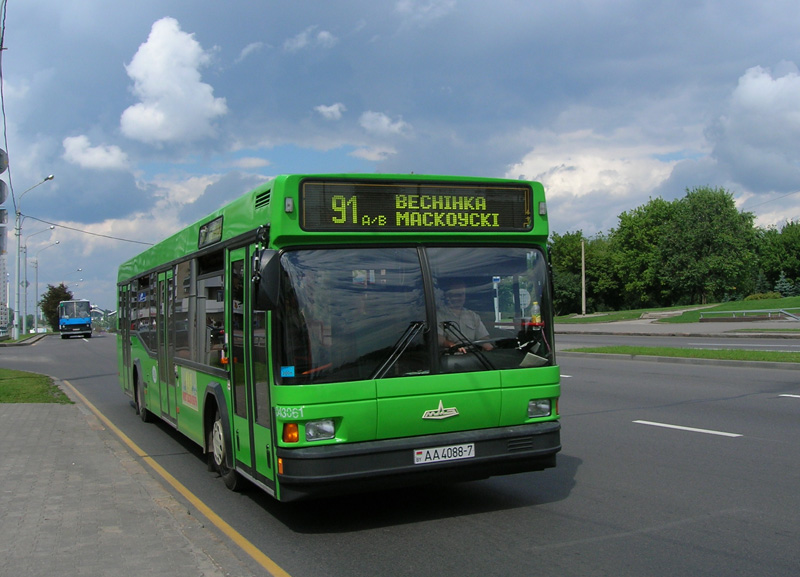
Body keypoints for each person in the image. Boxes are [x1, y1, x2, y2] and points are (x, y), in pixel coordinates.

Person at [438, 281, 493, 352]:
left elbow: (483, 337)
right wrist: (453, 346)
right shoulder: (439, 315)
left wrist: (488, 346)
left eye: (462, 294)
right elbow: (438, 339)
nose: (459, 298)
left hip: (474, 356)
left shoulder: (472, 316)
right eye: (456, 295)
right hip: (450, 356)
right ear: (448, 296)